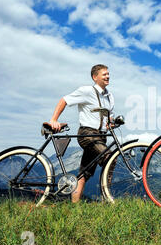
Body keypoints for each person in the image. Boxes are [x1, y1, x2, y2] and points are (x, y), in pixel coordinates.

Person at [49, 64, 114, 203]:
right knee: (110, 158)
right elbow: (64, 100)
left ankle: (74, 206)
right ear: (95, 77)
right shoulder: (86, 91)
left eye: (108, 74)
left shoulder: (109, 96)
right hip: (88, 134)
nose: (108, 76)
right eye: (104, 74)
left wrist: (110, 122)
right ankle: (107, 199)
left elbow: (108, 117)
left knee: (85, 173)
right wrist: (54, 119)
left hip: (101, 136)